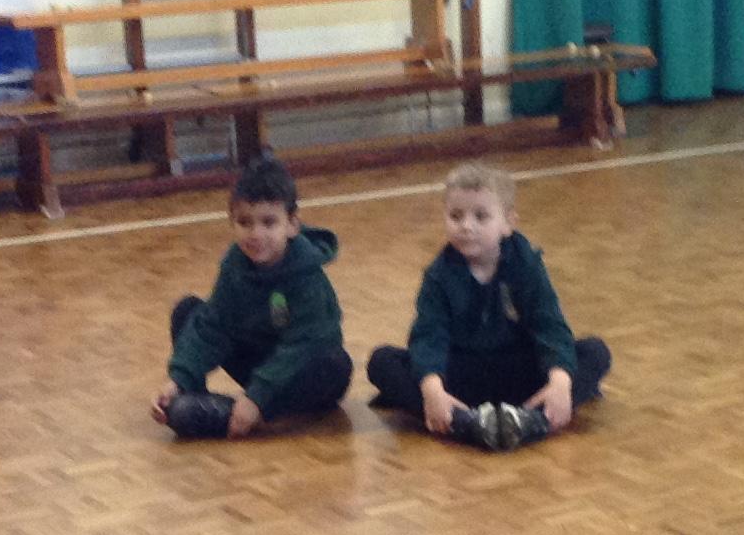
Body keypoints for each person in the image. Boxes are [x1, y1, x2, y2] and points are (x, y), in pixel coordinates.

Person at [365, 163, 611, 451]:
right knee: (383, 361)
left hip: (519, 370)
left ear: (508, 223)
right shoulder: (438, 275)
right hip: (462, 374)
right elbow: (428, 336)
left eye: (481, 216)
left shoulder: (526, 265)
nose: (466, 226)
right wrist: (432, 389)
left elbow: (550, 326)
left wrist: (559, 381)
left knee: (594, 352)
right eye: (456, 216)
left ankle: (531, 421)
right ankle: (468, 424)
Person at [154, 154, 353, 439]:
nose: (256, 234)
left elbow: (302, 346)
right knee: (188, 311)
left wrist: (257, 397)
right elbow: (214, 326)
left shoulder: (307, 275)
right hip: (257, 364)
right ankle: (199, 400)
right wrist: (178, 380)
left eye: (269, 223)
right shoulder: (234, 265)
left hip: (297, 372)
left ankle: (251, 415)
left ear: (292, 224)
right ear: (232, 222)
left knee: (334, 364)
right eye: (245, 223)